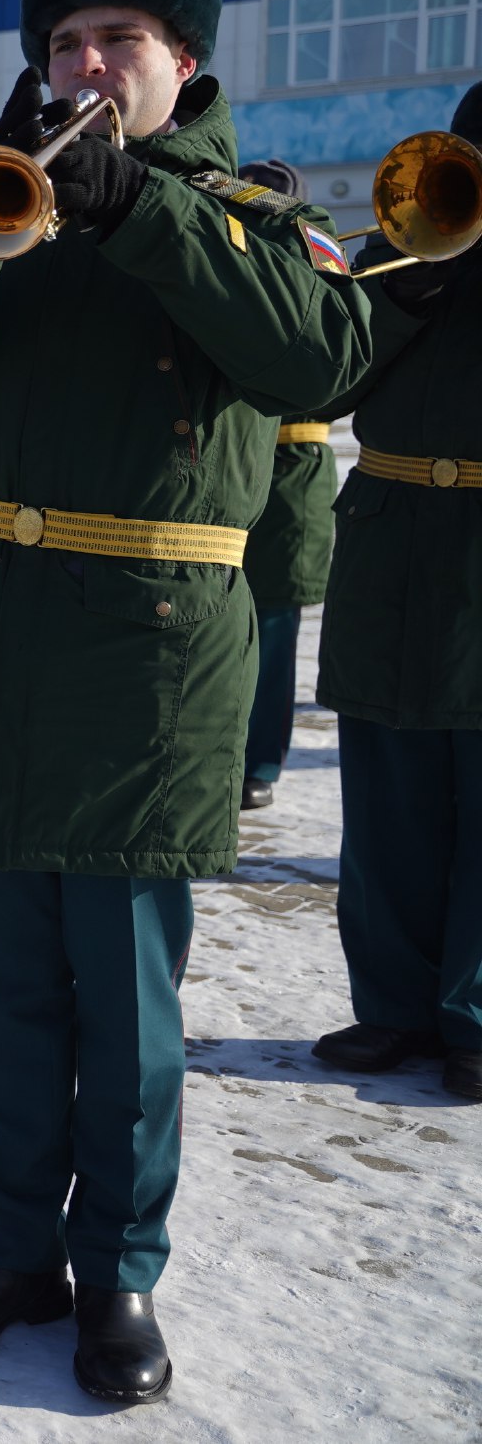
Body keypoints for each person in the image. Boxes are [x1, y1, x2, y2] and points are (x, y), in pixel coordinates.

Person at [0, 0, 370, 1404]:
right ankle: (10, 1241)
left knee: (125, 1003)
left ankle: (117, 1269)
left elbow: (323, 358)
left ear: (183, 65)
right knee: (3, 984)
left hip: (146, 659)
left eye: (118, 43)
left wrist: (140, 207)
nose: (85, 66)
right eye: (65, 45)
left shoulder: (254, 210)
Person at [311, 82, 482, 1104]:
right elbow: (315, 386)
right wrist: (397, 295)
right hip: (390, 538)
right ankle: (392, 1005)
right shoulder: (394, 250)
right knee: (387, 795)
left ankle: (473, 1015)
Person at [229, 157, 336, 812]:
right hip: (226, 462)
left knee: (272, 627)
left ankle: (261, 759)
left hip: (292, 472)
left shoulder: (314, 258)